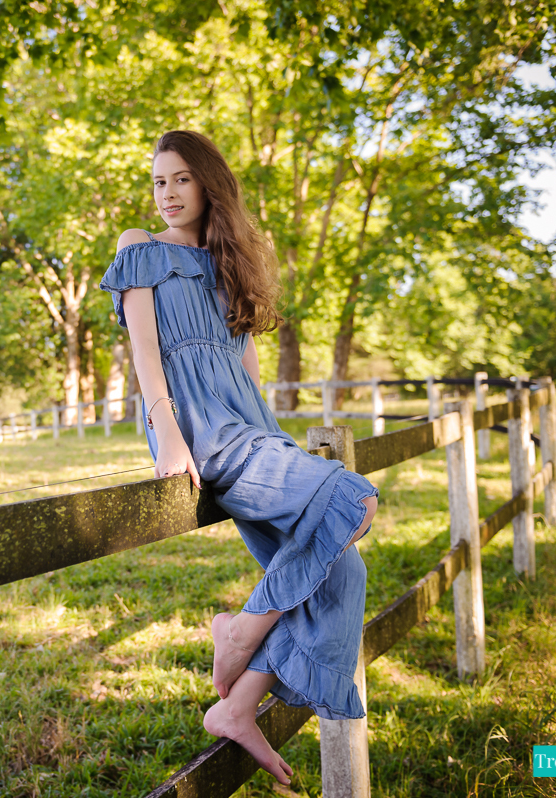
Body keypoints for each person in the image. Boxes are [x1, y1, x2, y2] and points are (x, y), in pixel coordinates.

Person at [99, 130, 378, 786]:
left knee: (347, 576)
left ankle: (239, 705)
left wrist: (282, 448)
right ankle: (245, 631)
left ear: (208, 185)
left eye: (181, 180)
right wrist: (168, 434)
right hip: (200, 430)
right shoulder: (138, 247)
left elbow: (246, 373)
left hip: (252, 430)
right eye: (159, 181)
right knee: (355, 498)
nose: (166, 194)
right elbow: (145, 354)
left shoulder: (230, 263)